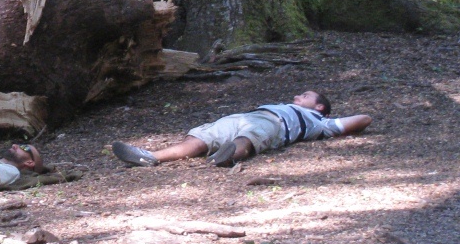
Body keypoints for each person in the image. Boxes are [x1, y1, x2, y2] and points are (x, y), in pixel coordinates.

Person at [111, 91, 372, 168]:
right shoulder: (293, 106)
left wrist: (330, 121)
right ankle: (151, 156)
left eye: (304, 96)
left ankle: (228, 157)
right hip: (244, 116)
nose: (296, 97)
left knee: (247, 138)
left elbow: (364, 119)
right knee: (201, 138)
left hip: (272, 124)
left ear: (319, 107)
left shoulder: (319, 122)